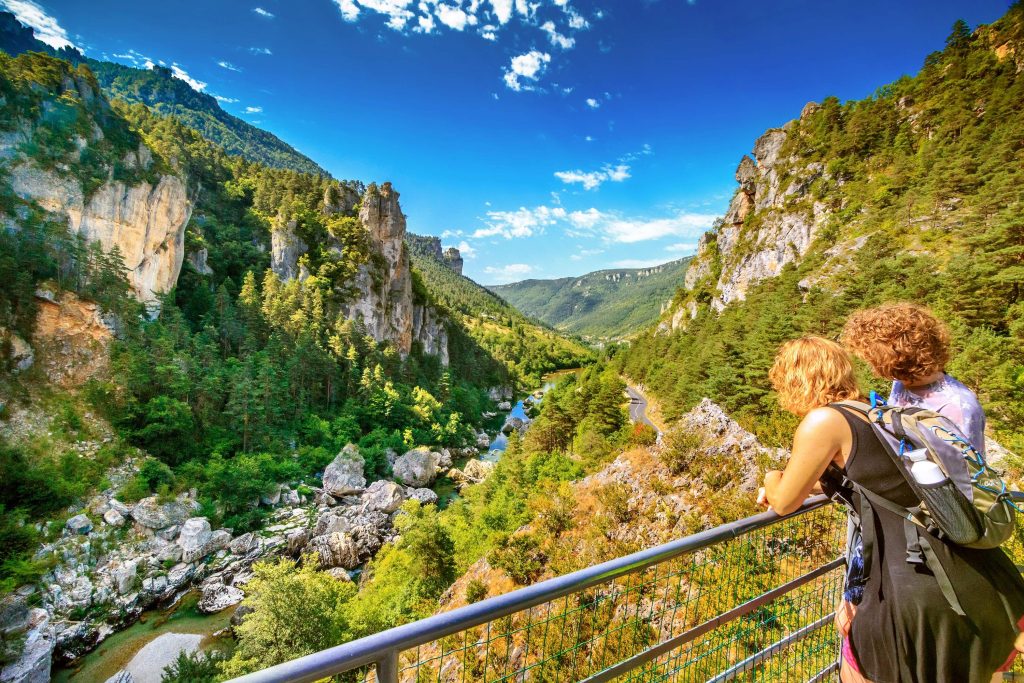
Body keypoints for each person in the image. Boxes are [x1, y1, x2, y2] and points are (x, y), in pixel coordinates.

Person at [758, 336, 1024, 683]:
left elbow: (784, 500)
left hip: (916, 591)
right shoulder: (872, 411)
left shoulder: (823, 421)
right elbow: (868, 479)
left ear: (794, 381)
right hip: (971, 574)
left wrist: (771, 477)